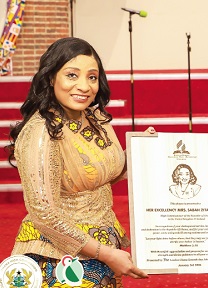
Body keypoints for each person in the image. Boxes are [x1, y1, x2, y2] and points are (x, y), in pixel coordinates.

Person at [6, 37, 151, 287]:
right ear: (51, 78)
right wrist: (105, 253)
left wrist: (144, 152)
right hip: (59, 257)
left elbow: (99, 173)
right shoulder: (42, 131)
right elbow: (44, 213)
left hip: (102, 246)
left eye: (92, 77)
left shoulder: (95, 119)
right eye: (72, 75)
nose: (84, 86)